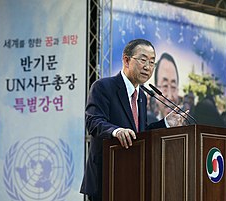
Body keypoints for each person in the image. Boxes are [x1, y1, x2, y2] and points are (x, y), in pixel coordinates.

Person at [80, 39, 187, 201]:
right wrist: (116, 131)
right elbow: (93, 122)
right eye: (143, 60)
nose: (148, 67)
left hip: (133, 179)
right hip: (107, 177)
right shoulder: (103, 87)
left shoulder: (142, 96)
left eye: (152, 62)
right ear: (126, 60)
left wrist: (165, 123)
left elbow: (140, 133)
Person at [154, 52, 179, 119]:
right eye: (165, 86)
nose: (170, 97)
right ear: (155, 92)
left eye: (173, 87)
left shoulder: (186, 126)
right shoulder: (147, 126)